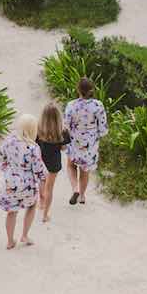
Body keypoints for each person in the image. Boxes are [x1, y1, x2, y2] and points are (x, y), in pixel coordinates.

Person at [0, 114, 47, 249]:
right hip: (27, 185)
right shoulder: (33, 147)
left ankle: (9, 241)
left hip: (10, 182)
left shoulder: (8, 141)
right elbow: (38, 170)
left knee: (11, 212)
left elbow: (1, 160)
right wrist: (43, 179)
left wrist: (9, 170)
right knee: (31, 206)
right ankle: (24, 235)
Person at [64, 78, 108, 206]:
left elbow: (66, 126)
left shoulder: (71, 105)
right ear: (91, 90)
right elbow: (103, 128)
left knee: (71, 165)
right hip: (90, 144)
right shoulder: (98, 105)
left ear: (78, 90)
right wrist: (95, 135)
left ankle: (75, 189)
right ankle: (82, 196)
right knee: (85, 170)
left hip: (75, 141)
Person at [37, 103, 70, 223]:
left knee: (42, 181)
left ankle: (41, 202)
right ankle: (45, 215)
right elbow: (64, 148)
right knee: (49, 188)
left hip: (40, 161)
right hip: (54, 163)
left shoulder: (38, 129)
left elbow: (34, 145)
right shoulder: (63, 131)